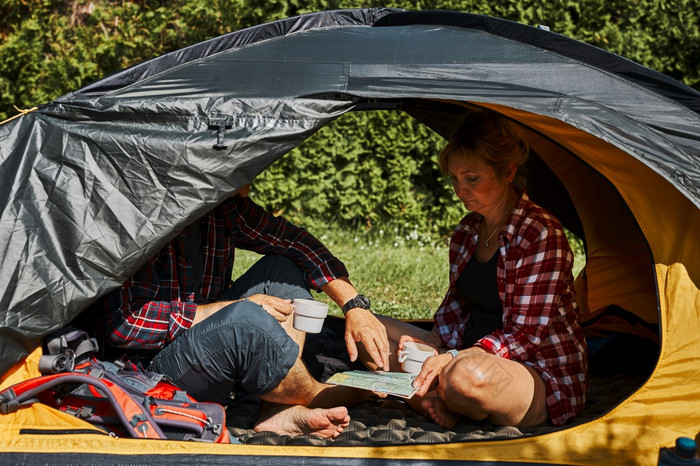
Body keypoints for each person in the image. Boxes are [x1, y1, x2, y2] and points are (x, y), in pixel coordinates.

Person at [91, 183, 390, 439]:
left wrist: (353, 305)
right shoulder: (142, 215)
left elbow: (297, 244)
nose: (248, 185)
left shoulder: (226, 207)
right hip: (151, 371)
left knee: (283, 268)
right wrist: (231, 308)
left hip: (206, 341)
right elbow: (125, 324)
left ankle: (279, 409)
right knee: (244, 321)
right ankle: (321, 393)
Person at [359, 111, 588, 428]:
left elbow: (525, 336)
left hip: (531, 369)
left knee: (464, 379)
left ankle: (429, 394)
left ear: (508, 172)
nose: (460, 189)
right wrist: (434, 344)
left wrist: (450, 359)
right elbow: (456, 310)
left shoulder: (541, 233)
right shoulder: (467, 231)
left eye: (472, 178)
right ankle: (433, 398)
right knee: (367, 330)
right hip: (464, 351)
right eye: (454, 178)